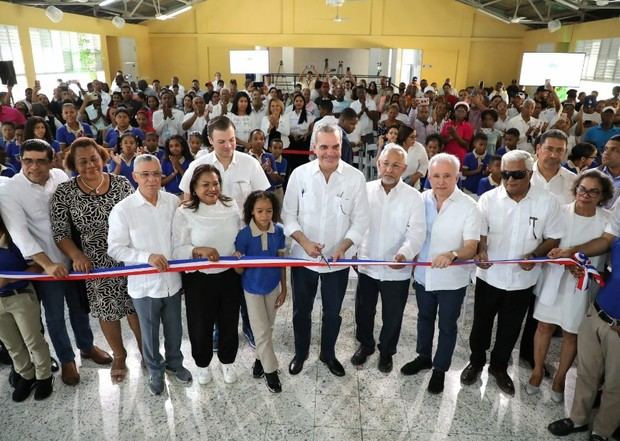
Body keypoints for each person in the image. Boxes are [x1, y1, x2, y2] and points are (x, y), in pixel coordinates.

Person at [0, 139, 110, 386]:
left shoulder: (60, 176)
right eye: (28, 161)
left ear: (52, 162)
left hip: (75, 258)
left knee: (80, 308)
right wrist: (48, 264)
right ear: (20, 160)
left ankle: (86, 346)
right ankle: (67, 359)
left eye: (41, 161)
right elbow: (20, 234)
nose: (34, 167)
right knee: (55, 315)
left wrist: (79, 253)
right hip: (46, 266)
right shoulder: (10, 189)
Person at [461, 150, 564, 396]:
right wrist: (482, 251)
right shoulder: (487, 199)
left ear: (529, 173)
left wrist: (536, 254)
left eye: (516, 174)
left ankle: (499, 367)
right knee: (481, 324)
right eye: (505, 174)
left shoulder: (547, 201)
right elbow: (481, 232)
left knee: (510, 328)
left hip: (522, 280)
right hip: (489, 276)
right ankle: (476, 363)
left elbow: (553, 237)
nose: (509, 180)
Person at [50, 137, 142, 383]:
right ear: (73, 164)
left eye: (94, 158)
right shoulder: (64, 192)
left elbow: (139, 216)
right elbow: (60, 233)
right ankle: (120, 355)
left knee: (138, 307)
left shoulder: (122, 183)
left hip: (130, 257)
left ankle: (148, 352)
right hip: (95, 262)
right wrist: (76, 255)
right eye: (82, 161)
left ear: (102, 158)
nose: (90, 165)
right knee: (108, 311)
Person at [282, 123, 369, 377]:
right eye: (324, 147)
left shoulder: (355, 178)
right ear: (314, 148)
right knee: (301, 311)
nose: (330, 153)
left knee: (332, 312)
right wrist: (304, 242)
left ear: (342, 147)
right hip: (302, 259)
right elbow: (288, 216)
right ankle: (301, 353)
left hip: (337, 262)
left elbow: (361, 220)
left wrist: (344, 246)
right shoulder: (299, 175)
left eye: (335, 147)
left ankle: (327, 354)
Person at [108, 154, 192, 396]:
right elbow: (115, 248)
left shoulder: (172, 202)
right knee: (150, 332)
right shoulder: (123, 210)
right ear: (135, 177)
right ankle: (155, 369)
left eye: (156, 173)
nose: (152, 179)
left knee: (175, 328)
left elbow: (181, 236)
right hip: (143, 287)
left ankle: (175, 364)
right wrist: (147, 257)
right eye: (145, 174)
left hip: (172, 283)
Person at [527, 170, 612, 403]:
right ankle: (536, 371)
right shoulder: (560, 212)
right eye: (583, 189)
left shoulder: (606, 220)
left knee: (570, 333)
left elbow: (605, 247)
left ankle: (560, 378)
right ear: (576, 190)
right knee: (544, 327)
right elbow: (549, 244)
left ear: (603, 195)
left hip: (582, 285)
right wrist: (559, 259)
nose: (586, 195)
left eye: (594, 191)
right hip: (554, 278)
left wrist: (578, 261)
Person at [401, 153, 480, 393]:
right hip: (424, 276)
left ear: (457, 176)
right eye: (436, 175)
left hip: (452, 281)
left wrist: (452, 254)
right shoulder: (420, 200)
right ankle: (423, 356)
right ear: (428, 176)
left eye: (447, 176)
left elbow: (471, 246)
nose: (441, 181)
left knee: (447, 325)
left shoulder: (469, 206)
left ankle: (440, 370)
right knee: (424, 319)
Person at [547, 201, 620, 441]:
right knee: (587, 372)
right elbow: (606, 242)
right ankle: (578, 419)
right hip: (599, 310)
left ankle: (602, 430)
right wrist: (572, 254)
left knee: (615, 382)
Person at [351, 144, 425, 373]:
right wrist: (353, 250)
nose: (389, 169)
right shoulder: (364, 190)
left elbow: (417, 232)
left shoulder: (414, 197)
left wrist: (405, 253)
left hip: (397, 269)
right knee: (364, 310)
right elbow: (354, 223)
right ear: (378, 164)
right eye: (386, 164)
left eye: (395, 165)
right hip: (367, 264)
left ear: (404, 168)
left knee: (393, 315)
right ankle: (366, 344)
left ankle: (386, 351)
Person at [173, 164, 243, 385]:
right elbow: (176, 249)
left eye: (215, 183)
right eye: (205, 185)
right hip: (199, 278)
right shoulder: (184, 211)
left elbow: (241, 233)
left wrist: (241, 250)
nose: (212, 188)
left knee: (229, 320)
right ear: (194, 187)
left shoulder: (231, 204)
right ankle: (202, 365)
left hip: (230, 275)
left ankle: (227, 362)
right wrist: (198, 251)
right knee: (200, 324)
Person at [234, 191, 287, 393]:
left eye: (269, 211)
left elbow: (282, 262)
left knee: (268, 328)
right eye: (260, 211)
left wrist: (284, 288)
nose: (265, 215)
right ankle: (271, 372)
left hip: (272, 286)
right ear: (251, 212)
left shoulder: (279, 231)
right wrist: (237, 260)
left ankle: (259, 361)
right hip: (252, 289)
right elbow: (239, 271)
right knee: (261, 332)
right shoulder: (244, 235)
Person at [0, 214, 54, 402]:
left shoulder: (15, 239)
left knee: (33, 341)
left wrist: (8, 278)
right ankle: (26, 375)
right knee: (12, 344)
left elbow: (38, 267)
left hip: (20, 296)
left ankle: (44, 376)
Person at [179, 116, 270, 210]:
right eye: (221, 142)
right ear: (210, 140)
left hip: (241, 223)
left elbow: (262, 200)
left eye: (232, 140)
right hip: (208, 223)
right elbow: (188, 200)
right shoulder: (197, 165)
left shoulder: (251, 163)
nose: (228, 146)